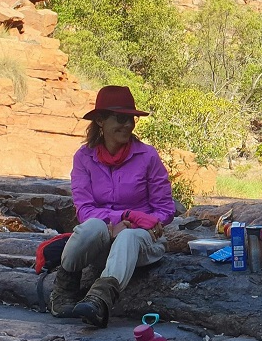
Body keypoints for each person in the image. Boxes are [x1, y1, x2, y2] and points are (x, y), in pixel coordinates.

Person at [50, 85, 175, 328]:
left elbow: (165, 208)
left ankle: (99, 302)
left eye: (130, 119)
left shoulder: (148, 156)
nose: (127, 125)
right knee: (92, 227)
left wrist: (143, 223)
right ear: (100, 121)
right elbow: (84, 209)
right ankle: (64, 289)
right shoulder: (84, 158)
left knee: (128, 236)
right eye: (120, 119)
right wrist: (124, 217)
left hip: (143, 239)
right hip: (105, 238)